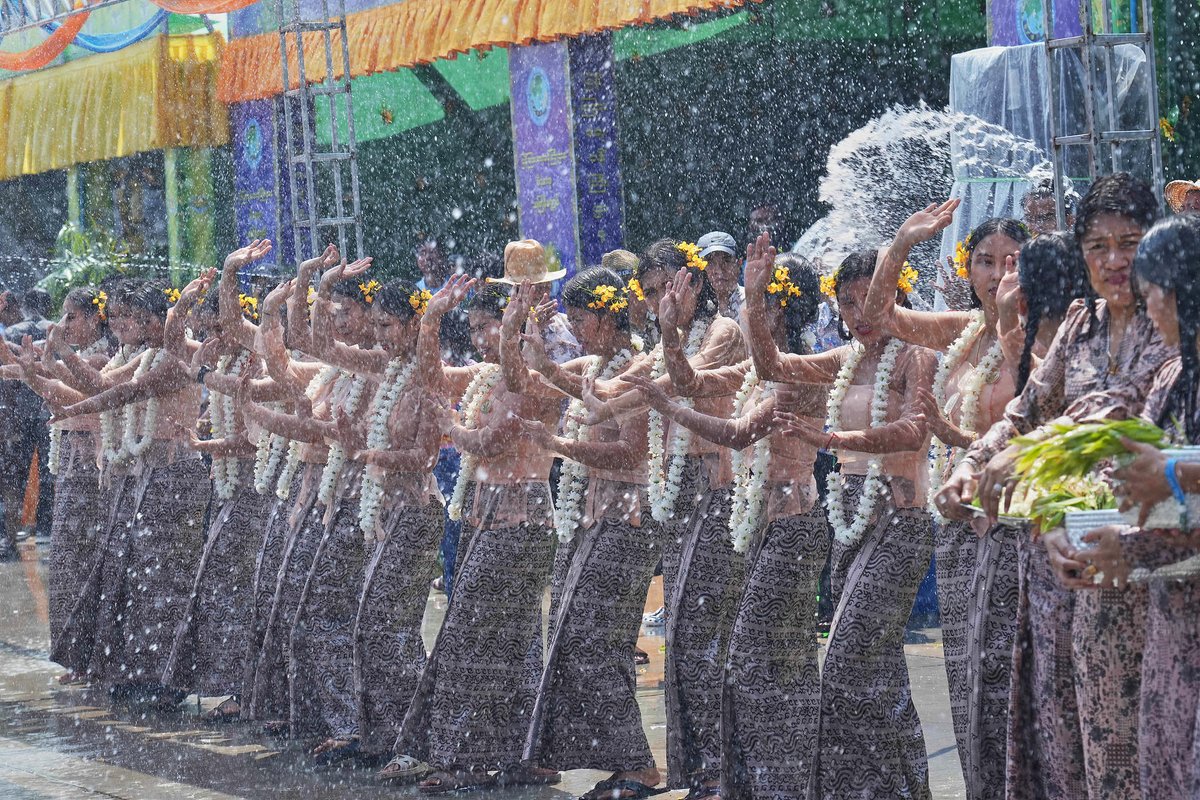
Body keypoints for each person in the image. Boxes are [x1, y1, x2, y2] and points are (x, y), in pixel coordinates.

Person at [939, 172, 1171, 799]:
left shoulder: (1175, 327)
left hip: (1144, 571)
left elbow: (1126, 414)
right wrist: (969, 464)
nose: (1115, 260)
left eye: (1130, 241)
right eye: (1099, 246)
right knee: (1060, 745)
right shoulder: (1080, 325)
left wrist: (1037, 447)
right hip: (1059, 570)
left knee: (1131, 753)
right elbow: (1024, 411)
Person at [632, 249, 829, 799]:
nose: (749, 313)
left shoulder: (791, 362)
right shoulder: (758, 366)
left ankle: (745, 772)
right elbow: (671, 382)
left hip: (769, 516)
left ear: (780, 312)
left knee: (741, 651)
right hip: (741, 514)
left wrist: (667, 372)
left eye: (760, 304)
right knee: (735, 649)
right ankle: (739, 775)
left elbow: (701, 398)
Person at [747, 238, 937, 799]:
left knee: (849, 656)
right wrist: (755, 298)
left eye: (871, 301)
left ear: (897, 298)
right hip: (849, 520)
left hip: (901, 524)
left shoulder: (915, 354)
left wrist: (834, 438)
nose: (861, 316)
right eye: (848, 305)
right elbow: (770, 364)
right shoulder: (844, 359)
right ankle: (898, 789)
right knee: (878, 667)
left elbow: (913, 430)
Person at [863, 204, 1034, 800]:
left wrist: (956, 438)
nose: (994, 274)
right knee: (966, 681)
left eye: (1008, 261)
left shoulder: (1046, 333)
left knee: (1013, 682)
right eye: (983, 261)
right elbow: (880, 313)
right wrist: (904, 240)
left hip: (1019, 532)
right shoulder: (958, 332)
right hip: (960, 536)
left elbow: (1032, 431)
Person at [396, 241, 565, 792]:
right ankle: (522, 752)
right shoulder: (488, 370)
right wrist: (431, 319)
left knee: (474, 636)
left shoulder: (550, 351)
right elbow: (429, 376)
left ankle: (470, 758)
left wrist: (451, 428)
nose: (477, 339)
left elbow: (495, 436)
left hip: (522, 520)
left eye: (484, 327)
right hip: (484, 517)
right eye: (471, 328)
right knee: (507, 638)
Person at [506, 268, 660, 800]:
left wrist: (561, 446)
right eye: (568, 321)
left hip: (625, 524)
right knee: (576, 639)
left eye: (579, 321)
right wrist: (523, 333)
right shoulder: (594, 366)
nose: (575, 330)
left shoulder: (638, 368)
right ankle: (608, 759)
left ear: (606, 315)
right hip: (589, 521)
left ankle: (638, 766)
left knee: (598, 642)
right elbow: (532, 380)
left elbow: (632, 453)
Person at [1074, 213, 1200, 800]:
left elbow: (1169, 484)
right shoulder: (1176, 376)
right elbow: (1152, 495)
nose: (1149, 310)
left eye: (1153, 295)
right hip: (1172, 624)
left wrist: (1174, 475)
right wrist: (1104, 539)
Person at [53, 280, 209, 709]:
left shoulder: (183, 356)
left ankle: (168, 678)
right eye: (119, 316)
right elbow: (100, 383)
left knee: (165, 578)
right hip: (144, 473)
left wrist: (73, 398)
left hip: (175, 474)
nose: (123, 325)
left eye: (134, 317)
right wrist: (41, 369)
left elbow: (123, 392)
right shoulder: (142, 355)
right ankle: (138, 670)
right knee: (137, 577)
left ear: (158, 319)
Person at [0, 286, 111, 675]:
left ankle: (96, 658)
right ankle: (78, 656)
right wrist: (21, 362)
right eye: (62, 316)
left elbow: (65, 385)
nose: (63, 325)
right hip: (71, 462)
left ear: (97, 318)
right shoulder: (77, 354)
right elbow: (33, 371)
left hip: (94, 465)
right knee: (67, 563)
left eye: (71, 317)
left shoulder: (105, 357)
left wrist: (39, 365)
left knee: (89, 560)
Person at [696, 232, 743, 319]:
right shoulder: (691, 306)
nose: (719, 271)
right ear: (697, 267)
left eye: (727, 260)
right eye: (710, 262)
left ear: (739, 264)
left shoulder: (752, 302)